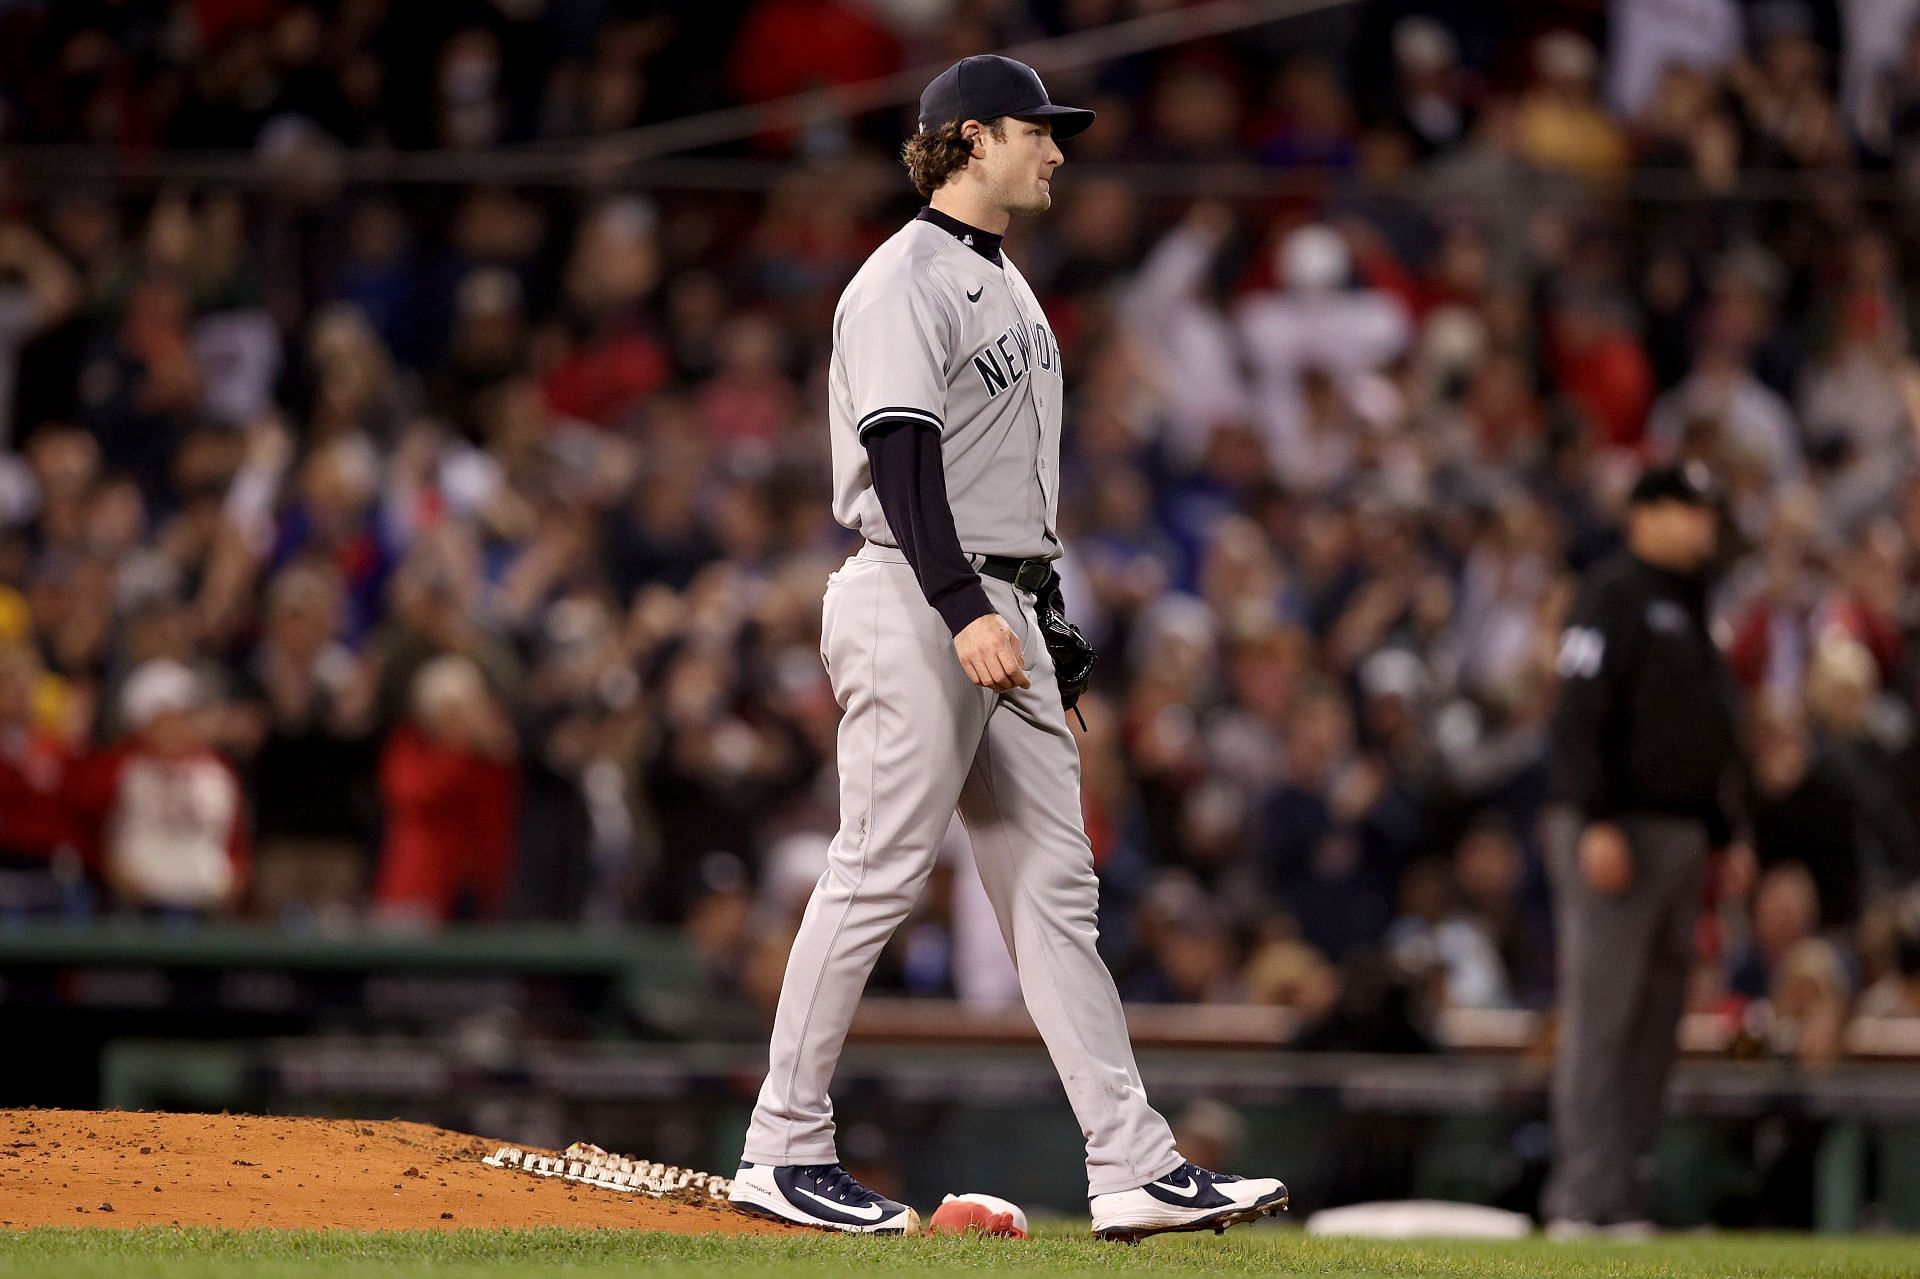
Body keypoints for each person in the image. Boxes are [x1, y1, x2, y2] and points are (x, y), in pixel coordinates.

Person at [728, 54, 1288, 1240]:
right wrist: (962, 604)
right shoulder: (902, 279)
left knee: (1054, 894)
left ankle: (1131, 1162)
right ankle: (782, 1144)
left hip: (1006, 600)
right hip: (919, 592)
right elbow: (899, 453)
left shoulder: (1010, 284)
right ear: (971, 138)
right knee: (879, 864)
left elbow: (1000, 483)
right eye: (1040, 132)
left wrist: (1036, 612)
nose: (1058, 151)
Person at [1542, 461, 1748, 1237]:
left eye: (1705, 509)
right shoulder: (1613, 592)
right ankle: (1579, 1198)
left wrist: (1725, 832)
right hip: (1617, 830)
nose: (1702, 523)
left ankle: (1624, 1195)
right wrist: (1592, 817)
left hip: (1682, 833)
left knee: (1658, 1023)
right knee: (1604, 1018)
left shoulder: (1695, 602)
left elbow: (1708, 729)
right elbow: (1578, 711)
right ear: (1645, 514)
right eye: (1685, 508)